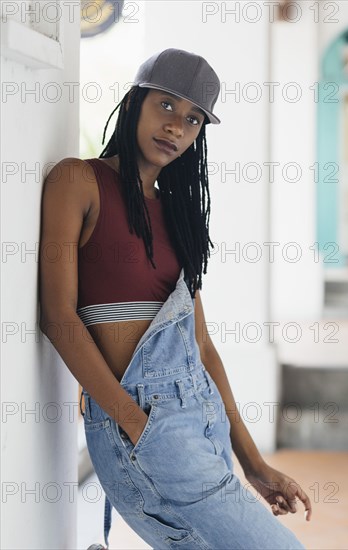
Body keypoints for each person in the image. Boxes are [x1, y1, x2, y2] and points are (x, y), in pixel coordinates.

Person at [39, 48, 311, 550]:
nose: (177, 128)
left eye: (192, 120)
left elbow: (202, 347)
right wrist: (134, 423)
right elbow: (58, 318)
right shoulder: (79, 181)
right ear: (136, 103)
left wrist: (255, 463)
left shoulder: (178, 214)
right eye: (166, 106)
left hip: (200, 416)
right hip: (146, 423)